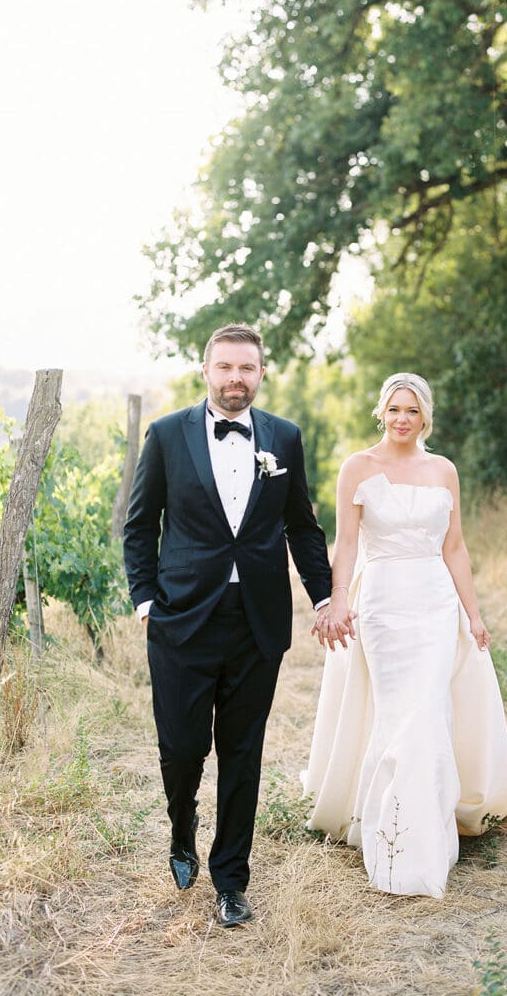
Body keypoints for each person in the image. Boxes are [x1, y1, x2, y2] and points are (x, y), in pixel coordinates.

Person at [123, 323, 347, 928]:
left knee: (242, 753)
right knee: (181, 748)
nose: (235, 379)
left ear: (261, 373)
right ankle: (182, 828)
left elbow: (302, 526)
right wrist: (145, 601)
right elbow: (140, 526)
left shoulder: (285, 437)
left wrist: (324, 597)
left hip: (257, 621)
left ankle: (230, 880)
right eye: (224, 367)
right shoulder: (167, 435)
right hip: (181, 619)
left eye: (246, 368)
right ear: (206, 370)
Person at [305, 372, 507, 898]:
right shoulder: (357, 467)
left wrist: (473, 614)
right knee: (397, 715)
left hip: (434, 605)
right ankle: (390, 834)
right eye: (394, 409)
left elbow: (454, 547)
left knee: (428, 713)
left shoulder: (443, 470)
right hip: (383, 605)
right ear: (381, 412)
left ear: (425, 416)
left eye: (412, 410)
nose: (402, 419)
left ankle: (427, 835)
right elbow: (347, 544)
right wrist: (339, 600)